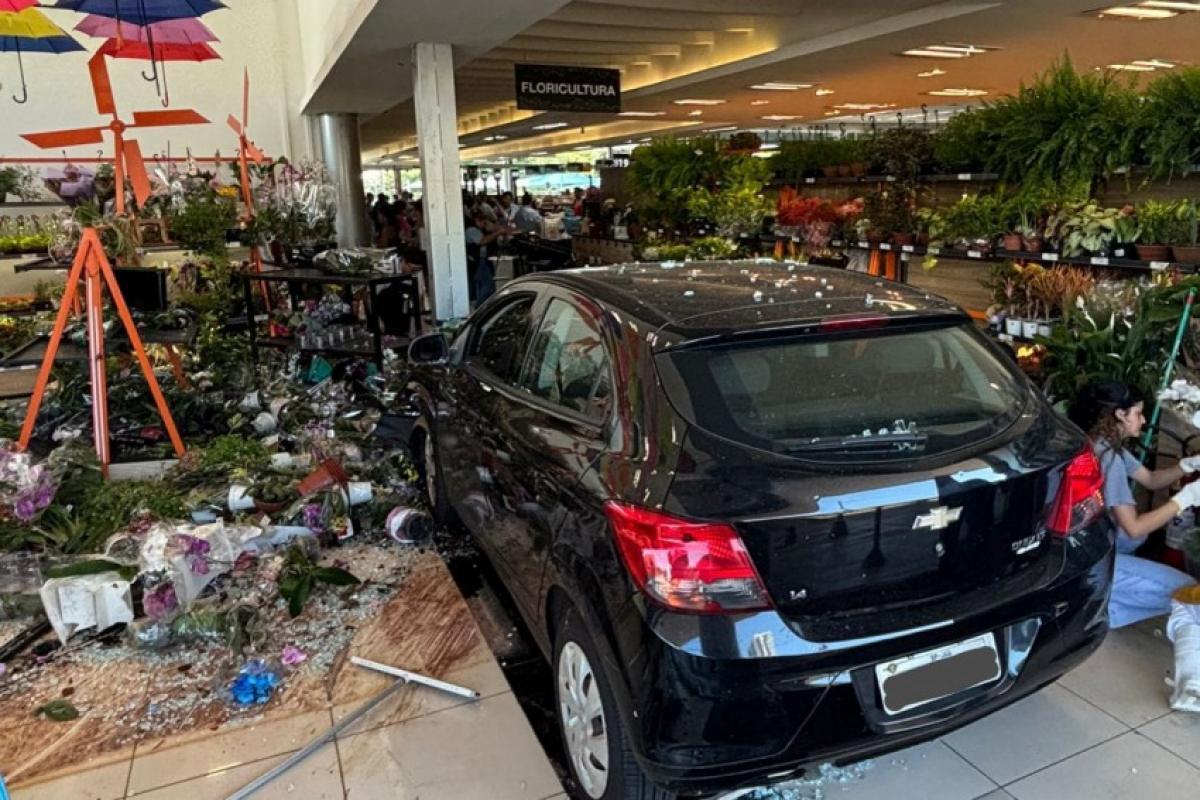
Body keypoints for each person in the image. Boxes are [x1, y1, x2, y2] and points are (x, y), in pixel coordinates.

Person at [1071, 381, 1200, 712]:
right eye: (1138, 414)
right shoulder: (1108, 460)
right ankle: (1191, 684)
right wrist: (1186, 499)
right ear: (1119, 415)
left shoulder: (1102, 445)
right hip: (1101, 558)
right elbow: (1134, 526)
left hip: (1090, 554)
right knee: (1188, 594)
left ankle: (1096, 615)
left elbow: (1153, 480)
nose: (1143, 421)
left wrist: (1188, 466)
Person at [465, 211, 507, 304]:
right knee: (487, 284)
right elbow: (482, 241)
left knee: (486, 283)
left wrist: (496, 228)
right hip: (476, 261)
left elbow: (493, 229)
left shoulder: (480, 230)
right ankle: (480, 304)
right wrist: (498, 232)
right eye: (483, 222)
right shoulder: (471, 230)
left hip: (482, 259)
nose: (484, 225)